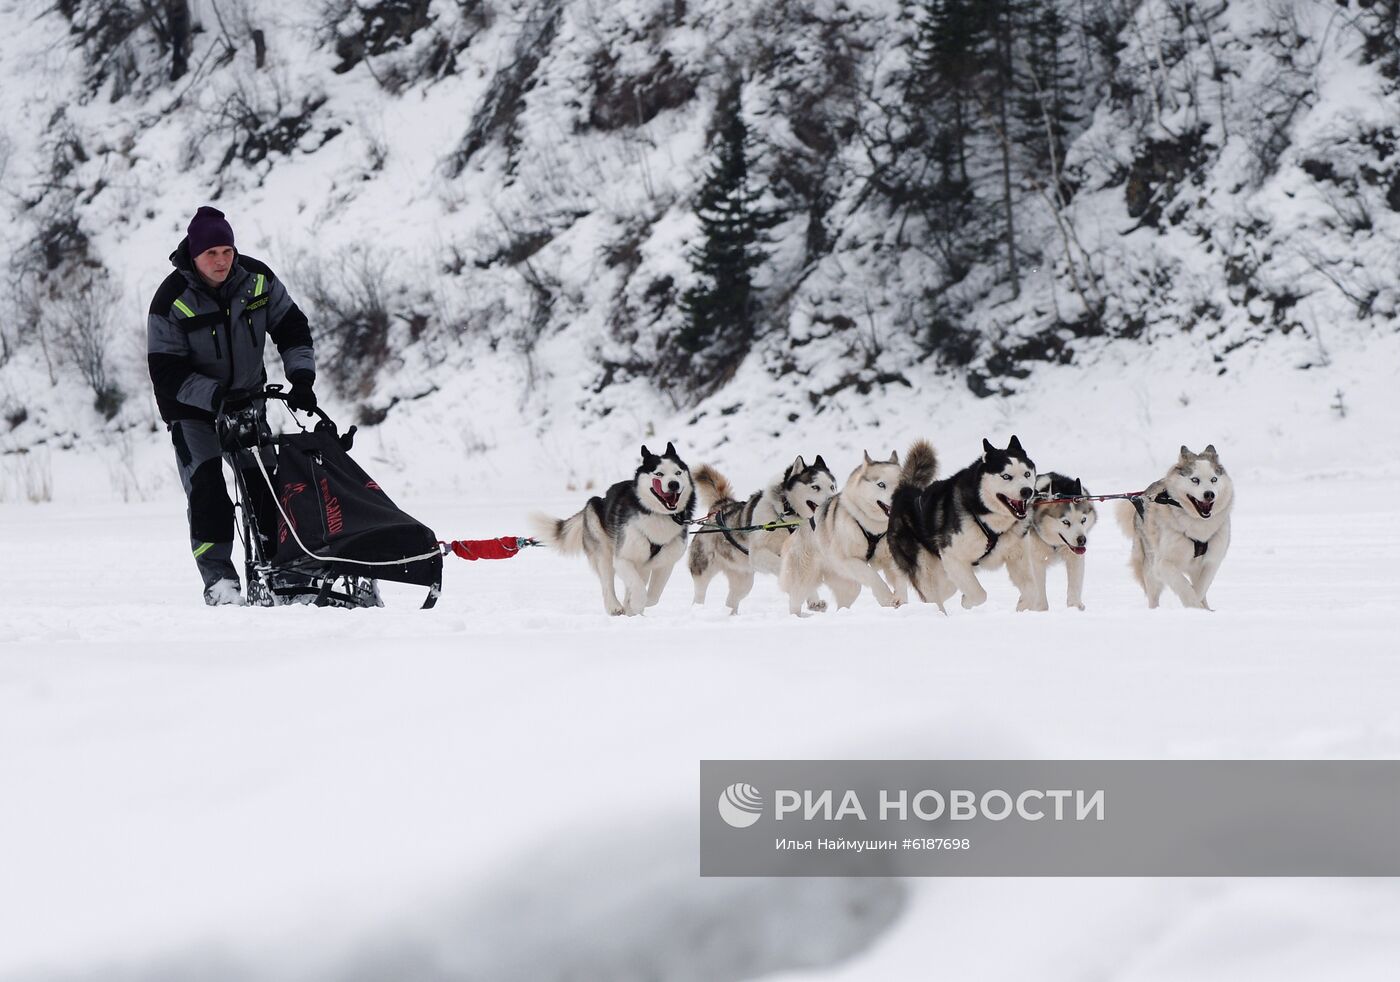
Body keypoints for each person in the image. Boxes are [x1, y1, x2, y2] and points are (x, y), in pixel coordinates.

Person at [147, 206, 319, 605]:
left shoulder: (257, 279)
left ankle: (277, 570)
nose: (221, 260)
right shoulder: (170, 299)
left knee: (265, 487)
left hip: (247, 400)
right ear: (194, 255)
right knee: (208, 490)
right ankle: (220, 583)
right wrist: (213, 396)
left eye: (227, 250)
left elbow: (292, 326)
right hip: (192, 411)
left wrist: (302, 378)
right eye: (212, 254)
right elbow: (166, 371)